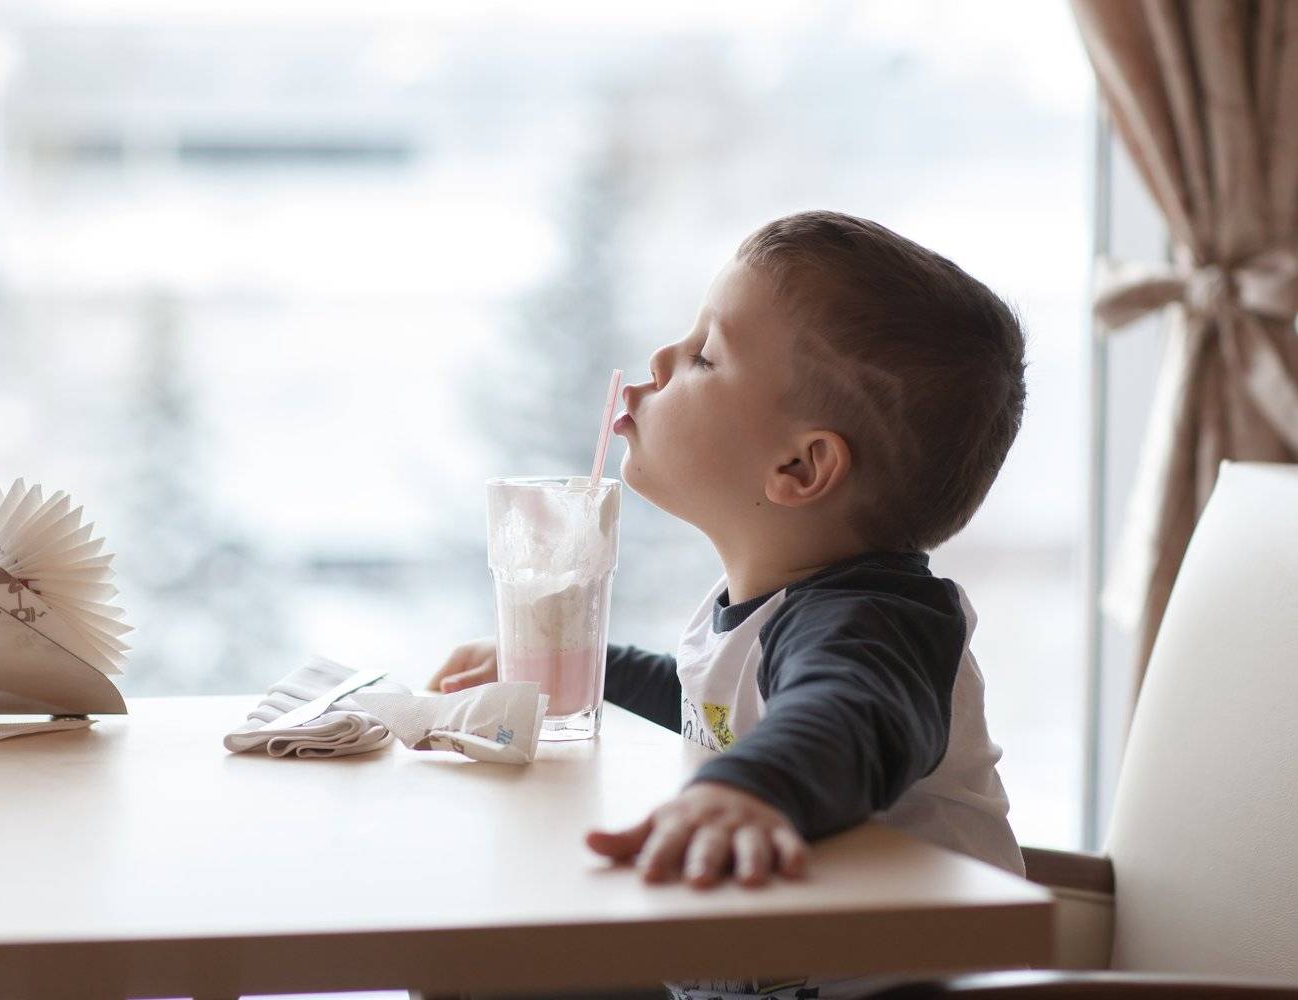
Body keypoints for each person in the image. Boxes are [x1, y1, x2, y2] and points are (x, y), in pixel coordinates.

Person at [430, 211, 1027, 998]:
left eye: (705, 356)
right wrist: (578, 670)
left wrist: (746, 789)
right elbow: (713, 714)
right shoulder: (770, 608)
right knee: (480, 971)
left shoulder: (876, 627)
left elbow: (845, 718)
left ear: (800, 467)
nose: (661, 359)